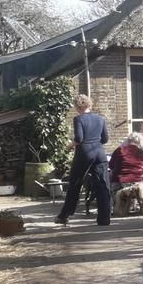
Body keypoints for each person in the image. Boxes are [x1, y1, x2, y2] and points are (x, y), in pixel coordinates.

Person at [55, 94, 112, 226]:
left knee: (75, 184)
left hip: (84, 154)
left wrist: (69, 146)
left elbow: (79, 139)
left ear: (77, 106)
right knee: (103, 185)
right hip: (99, 153)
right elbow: (105, 139)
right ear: (89, 104)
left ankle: (65, 215)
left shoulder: (78, 119)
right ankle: (104, 219)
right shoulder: (100, 119)